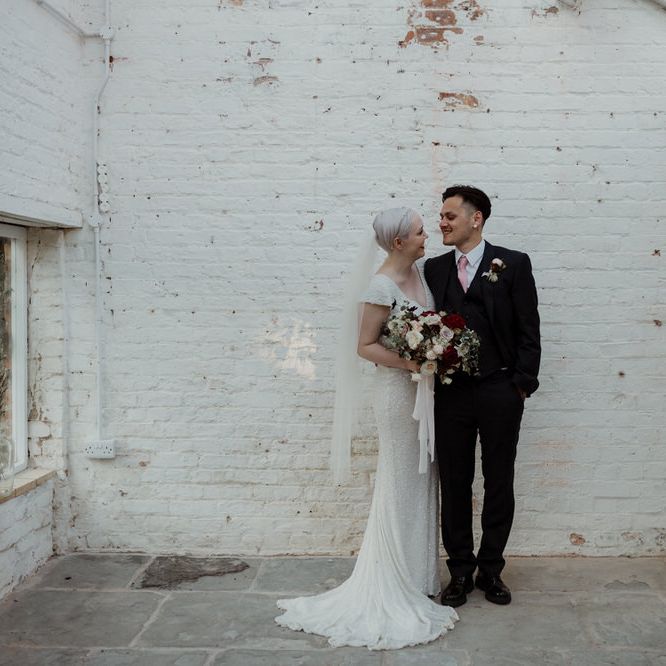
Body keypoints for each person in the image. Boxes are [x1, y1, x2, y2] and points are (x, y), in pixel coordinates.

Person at [275, 207, 458, 650]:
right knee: (399, 478)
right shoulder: (380, 286)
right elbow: (365, 346)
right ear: (399, 242)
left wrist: (432, 356)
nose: (427, 236)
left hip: (424, 391)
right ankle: (393, 577)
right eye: (420, 232)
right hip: (397, 395)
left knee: (423, 477)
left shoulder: (420, 276)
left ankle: (418, 576)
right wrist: (414, 362)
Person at [424, 185, 541, 608]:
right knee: (455, 482)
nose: (441, 222)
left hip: (500, 390)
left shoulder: (513, 263)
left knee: (499, 480)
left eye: (449, 216)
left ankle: (491, 570)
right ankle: (459, 571)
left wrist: (521, 384)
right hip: (451, 393)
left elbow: (529, 328)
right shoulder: (433, 269)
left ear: (476, 219)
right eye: (440, 216)